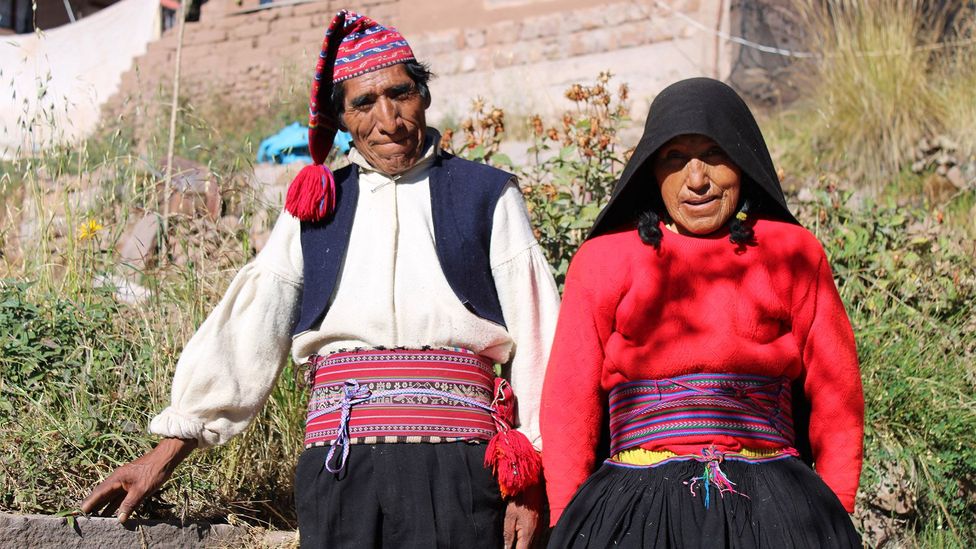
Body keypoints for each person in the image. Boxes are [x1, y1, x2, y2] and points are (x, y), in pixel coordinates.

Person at [82, 10, 560, 548]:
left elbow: (542, 338)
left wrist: (534, 474)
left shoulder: (487, 195)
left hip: (463, 472)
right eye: (364, 103)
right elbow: (251, 334)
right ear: (341, 119)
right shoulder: (315, 208)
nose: (389, 120)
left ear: (423, 95)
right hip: (341, 470)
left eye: (401, 94)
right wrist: (167, 452)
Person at [540, 77, 863, 548]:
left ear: (742, 159)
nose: (696, 179)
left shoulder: (792, 253)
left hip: (775, 503)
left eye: (713, 154)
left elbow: (838, 397)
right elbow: (570, 399)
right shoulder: (604, 259)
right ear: (652, 171)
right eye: (675, 158)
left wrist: (831, 510)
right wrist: (571, 521)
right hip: (633, 505)